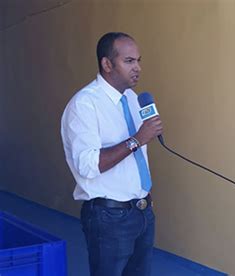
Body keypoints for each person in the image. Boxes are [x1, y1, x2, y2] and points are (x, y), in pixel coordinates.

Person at [61, 32, 163, 276]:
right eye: (129, 61)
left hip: (142, 211)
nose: (137, 67)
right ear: (107, 64)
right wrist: (137, 139)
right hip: (108, 217)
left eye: (138, 60)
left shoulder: (133, 99)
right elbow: (88, 165)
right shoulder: (85, 104)